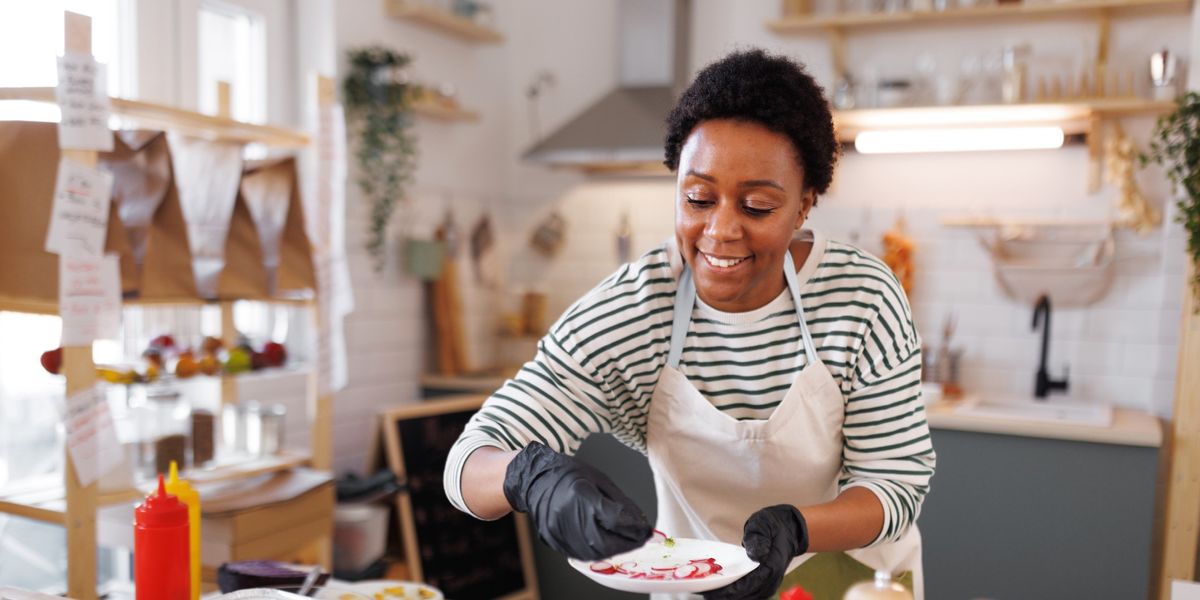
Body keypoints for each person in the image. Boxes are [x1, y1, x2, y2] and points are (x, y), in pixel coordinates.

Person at [444, 48, 935, 600]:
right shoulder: (634, 313)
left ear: (804, 206)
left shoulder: (861, 298)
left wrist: (795, 531)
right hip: (695, 591)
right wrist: (529, 478)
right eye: (698, 198)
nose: (721, 230)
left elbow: (894, 484)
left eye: (756, 207)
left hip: (850, 585)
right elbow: (469, 462)